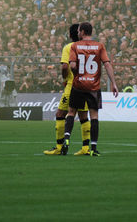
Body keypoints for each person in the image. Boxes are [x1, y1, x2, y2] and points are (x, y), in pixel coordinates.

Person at [62, 22, 119, 156]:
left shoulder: (75, 46)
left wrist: (78, 74)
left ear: (82, 32)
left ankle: (67, 139)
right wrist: (114, 84)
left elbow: (73, 66)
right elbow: (107, 65)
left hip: (78, 86)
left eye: (79, 31)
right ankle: (93, 148)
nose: (77, 33)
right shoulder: (100, 46)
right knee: (94, 116)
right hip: (94, 87)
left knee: (71, 112)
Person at [44, 24, 91, 156]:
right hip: (87, 85)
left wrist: (65, 79)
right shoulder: (89, 47)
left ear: (70, 35)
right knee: (83, 116)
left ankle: (59, 147)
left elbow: (65, 67)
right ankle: (86, 148)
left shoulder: (69, 47)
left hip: (72, 85)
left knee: (60, 114)